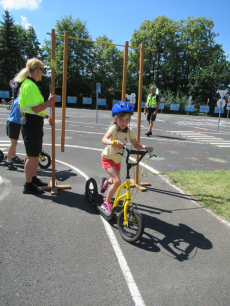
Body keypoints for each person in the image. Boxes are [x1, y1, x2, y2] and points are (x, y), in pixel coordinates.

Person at [100, 101, 153, 214]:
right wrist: (113, 142)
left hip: (117, 160)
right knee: (118, 181)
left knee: (115, 181)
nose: (124, 122)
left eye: (127, 119)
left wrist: (146, 147)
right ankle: (107, 202)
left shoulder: (130, 131)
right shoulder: (113, 129)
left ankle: (106, 182)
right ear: (115, 118)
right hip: (108, 158)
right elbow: (104, 139)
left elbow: (136, 145)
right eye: (121, 119)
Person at [14, 58, 57, 194]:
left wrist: (46, 115)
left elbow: (27, 108)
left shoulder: (29, 84)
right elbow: (36, 109)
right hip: (31, 124)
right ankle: (28, 185)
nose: (43, 73)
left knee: (35, 154)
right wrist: (50, 101)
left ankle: (33, 178)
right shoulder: (29, 85)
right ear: (37, 70)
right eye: (42, 70)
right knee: (32, 156)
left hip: (33, 122)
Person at [4, 89, 24, 170]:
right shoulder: (21, 100)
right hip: (14, 122)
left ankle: (14, 157)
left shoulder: (17, 98)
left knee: (14, 142)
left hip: (13, 122)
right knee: (13, 143)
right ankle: (8, 161)